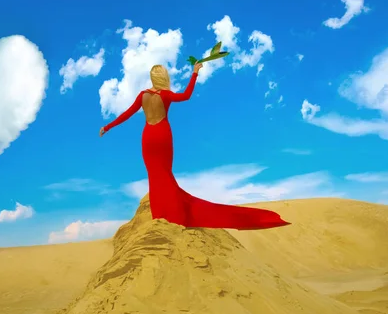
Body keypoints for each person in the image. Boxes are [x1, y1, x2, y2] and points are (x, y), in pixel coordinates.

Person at [100, 63, 290, 230]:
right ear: (163, 77)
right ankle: (173, 214)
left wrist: (107, 127)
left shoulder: (143, 95)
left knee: (155, 175)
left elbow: (127, 114)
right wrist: (195, 73)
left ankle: (160, 214)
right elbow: (186, 95)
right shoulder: (165, 94)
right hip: (162, 134)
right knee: (165, 173)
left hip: (148, 137)